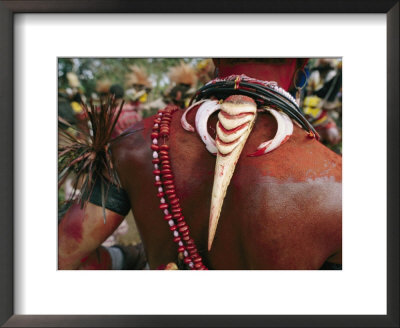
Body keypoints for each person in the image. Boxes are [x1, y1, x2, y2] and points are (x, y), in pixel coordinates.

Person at [58, 58, 341, 270]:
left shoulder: (136, 143)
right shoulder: (338, 182)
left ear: (216, 60)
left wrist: (121, 262)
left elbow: (62, 256)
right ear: (302, 70)